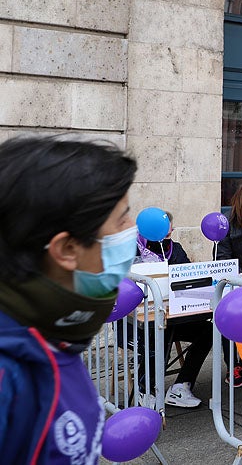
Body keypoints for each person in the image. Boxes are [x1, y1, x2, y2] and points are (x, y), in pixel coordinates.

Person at [0, 137, 137, 463]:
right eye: (122, 219)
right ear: (67, 250)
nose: (133, 229)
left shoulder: (52, 332)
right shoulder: (8, 373)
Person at [135, 213, 214, 408]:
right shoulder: (133, 252)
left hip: (172, 315)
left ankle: (181, 386)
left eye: (170, 232)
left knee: (208, 331)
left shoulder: (175, 249)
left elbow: (186, 278)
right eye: (163, 232)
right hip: (139, 322)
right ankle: (145, 388)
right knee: (162, 329)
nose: (168, 235)